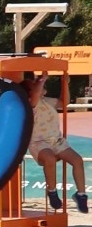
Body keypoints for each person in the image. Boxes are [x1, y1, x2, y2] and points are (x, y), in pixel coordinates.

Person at [22, 71, 88, 214]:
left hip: (56, 141)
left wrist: (65, 83)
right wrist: (43, 79)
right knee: (49, 158)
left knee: (77, 160)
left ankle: (81, 194)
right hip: (39, 142)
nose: (37, 85)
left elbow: (64, 102)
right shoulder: (31, 104)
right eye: (33, 85)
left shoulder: (47, 101)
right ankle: (52, 191)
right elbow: (35, 95)